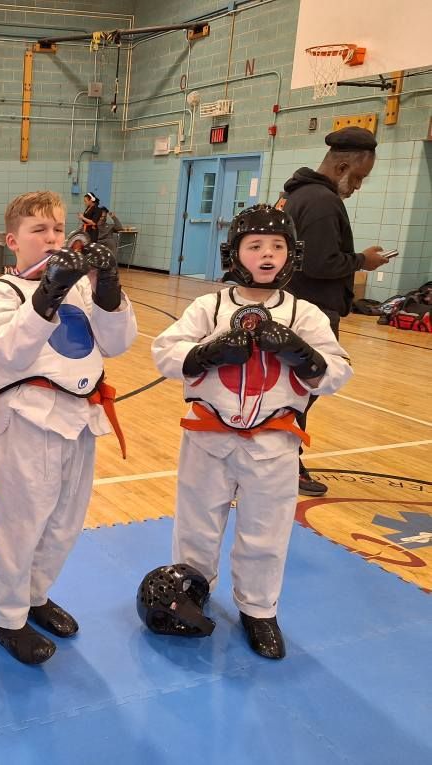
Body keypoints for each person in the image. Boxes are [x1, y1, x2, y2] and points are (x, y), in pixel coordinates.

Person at [150, 204, 352, 660]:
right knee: (196, 526)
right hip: (207, 437)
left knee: (266, 531)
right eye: (255, 245)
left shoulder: (304, 314)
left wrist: (302, 354)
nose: (267, 255)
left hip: (273, 442)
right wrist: (208, 352)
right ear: (235, 253)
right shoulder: (211, 306)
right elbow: (165, 351)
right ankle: (191, 593)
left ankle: (259, 610)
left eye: (277, 246)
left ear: (291, 255)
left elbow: (337, 370)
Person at [0, 191, 137, 665]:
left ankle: (35, 595)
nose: (50, 238)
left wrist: (107, 288)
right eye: (37, 230)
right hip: (29, 424)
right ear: (12, 241)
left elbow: (117, 343)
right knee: (21, 528)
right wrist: (47, 291)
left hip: (83, 419)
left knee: (65, 523)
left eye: (56, 229)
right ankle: (8, 618)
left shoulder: (82, 290)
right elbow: (8, 351)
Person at [276, 126, 390, 497]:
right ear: (342, 166)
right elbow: (320, 263)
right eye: (357, 177)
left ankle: (282, 458)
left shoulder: (300, 194)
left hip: (299, 306)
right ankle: (283, 461)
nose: (357, 186)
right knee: (304, 389)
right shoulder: (322, 202)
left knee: (296, 390)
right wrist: (363, 261)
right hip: (311, 314)